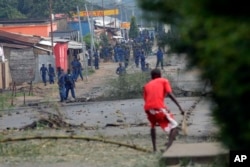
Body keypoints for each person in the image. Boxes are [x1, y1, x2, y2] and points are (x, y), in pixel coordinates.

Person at [143, 68, 185, 152]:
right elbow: (169, 94)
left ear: (151, 77)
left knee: (152, 126)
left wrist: (164, 108)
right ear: (160, 75)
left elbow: (147, 100)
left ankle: (154, 149)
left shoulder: (146, 85)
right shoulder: (164, 81)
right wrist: (180, 107)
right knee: (174, 126)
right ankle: (168, 148)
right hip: (158, 108)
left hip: (148, 108)